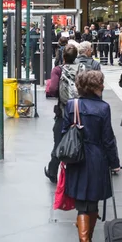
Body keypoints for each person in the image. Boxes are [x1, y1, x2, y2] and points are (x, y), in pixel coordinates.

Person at [62, 70, 120, 242]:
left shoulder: (72, 105)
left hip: (76, 156)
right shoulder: (103, 108)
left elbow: (64, 131)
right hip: (96, 158)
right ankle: (86, 239)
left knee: (81, 202)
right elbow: (108, 139)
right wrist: (114, 162)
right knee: (93, 200)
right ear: (96, 87)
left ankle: (85, 238)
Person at [44, 45, 78, 183]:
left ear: (63, 57)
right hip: (79, 110)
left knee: (58, 141)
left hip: (63, 110)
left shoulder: (58, 70)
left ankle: (53, 171)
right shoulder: (81, 69)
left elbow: (52, 89)